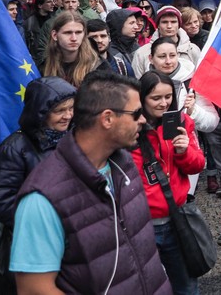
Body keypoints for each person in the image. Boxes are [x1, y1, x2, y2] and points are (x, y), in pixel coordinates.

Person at [10, 71, 172, 294]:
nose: (143, 120)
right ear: (107, 118)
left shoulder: (124, 163)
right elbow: (33, 289)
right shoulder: (42, 200)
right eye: (136, 114)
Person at [0, 77, 77, 294]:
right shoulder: (15, 148)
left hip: (69, 240)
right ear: (41, 111)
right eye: (60, 110)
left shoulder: (72, 139)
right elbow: (0, 198)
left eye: (71, 109)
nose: (68, 115)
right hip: (29, 244)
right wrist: (39, 223)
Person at [130, 71, 206, 295]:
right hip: (143, 225)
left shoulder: (181, 122)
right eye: (156, 98)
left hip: (176, 219)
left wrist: (183, 152)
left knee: (186, 285)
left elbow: (198, 165)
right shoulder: (130, 129)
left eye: (168, 97)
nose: (163, 103)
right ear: (142, 98)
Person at [41, 12, 109, 86]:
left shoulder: (99, 66)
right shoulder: (45, 66)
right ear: (54, 35)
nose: (74, 38)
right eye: (68, 33)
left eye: (78, 32)